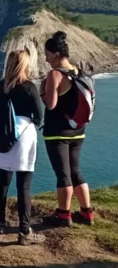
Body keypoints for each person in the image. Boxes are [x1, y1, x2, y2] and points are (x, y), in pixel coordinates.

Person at [0, 50, 45, 245]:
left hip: (2, 134)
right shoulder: (29, 87)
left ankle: (0, 223)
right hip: (23, 135)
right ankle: (24, 231)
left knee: (2, 182)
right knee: (24, 184)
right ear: (25, 65)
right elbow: (39, 116)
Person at [40, 31, 94, 227]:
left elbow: (51, 105)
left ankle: (63, 215)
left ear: (55, 54)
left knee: (63, 174)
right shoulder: (77, 71)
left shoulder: (55, 74)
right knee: (76, 171)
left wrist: (42, 92)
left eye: (46, 53)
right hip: (78, 131)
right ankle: (87, 213)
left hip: (57, 133)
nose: (45, 58)